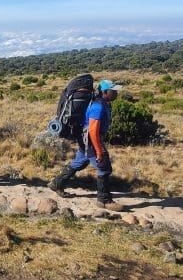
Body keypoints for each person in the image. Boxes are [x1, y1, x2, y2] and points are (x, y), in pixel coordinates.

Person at [47, 79, 125, 211]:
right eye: (113, 91)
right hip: (90, 139)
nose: (116, 93)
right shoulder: (98, 106)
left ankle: (56, 183)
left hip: (85, 139)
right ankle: (104, 200)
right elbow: (93, 131)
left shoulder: (103, 103)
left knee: (80, 162)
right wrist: (99, 151)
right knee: (104, 167)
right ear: (104, 92)